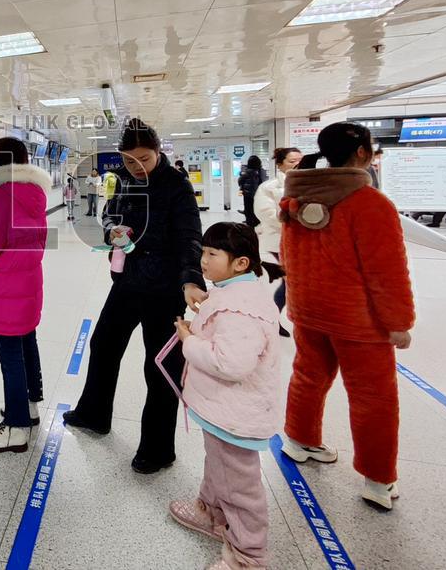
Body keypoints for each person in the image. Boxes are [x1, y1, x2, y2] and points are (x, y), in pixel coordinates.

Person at [280, 122, 415, 511]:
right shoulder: (369, 203)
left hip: (308, 309)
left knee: (308, 375)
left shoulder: (295, 199)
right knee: (374, 397)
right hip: (358, 320)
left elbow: (288, 258)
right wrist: (398, 323)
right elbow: (387, 271)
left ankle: (299, 440)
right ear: (362, 154)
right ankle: (378, 480)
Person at [64, 119, 206, 474]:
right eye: (129, 160)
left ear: (158, 152)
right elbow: (110, 212)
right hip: (127, 283)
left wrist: (191, 280)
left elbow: (191, 235)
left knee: (158, 367)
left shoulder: (176, 186)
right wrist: (112, 229)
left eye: (144, 158)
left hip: (163, 289)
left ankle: (158, 449)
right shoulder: (124, 180)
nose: (137, 166)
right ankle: (94, 414)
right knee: (103, 345)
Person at [171, 222, 280, 570]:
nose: (203, 260)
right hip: (222, 408)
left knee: (240, 487)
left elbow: (230, 363)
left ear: (241, 263)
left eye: (212, 254)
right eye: (203, 252)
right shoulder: (232, 292)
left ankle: (249, 556)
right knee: (218, 465)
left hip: (236, 412)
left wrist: (190, 342)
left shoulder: (240, 308)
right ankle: (211, 513)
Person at [0, 137, 50, 453]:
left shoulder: (2, 195)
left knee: (10, 355)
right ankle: (29, 408)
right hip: (28, 283)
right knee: (27, 343)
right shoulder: (34, 194)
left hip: (5, 286)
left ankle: (16, 428)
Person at [253, 146, 302, 338]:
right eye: (292, 161)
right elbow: (265, 213)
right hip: (277, 242)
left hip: (301, 243)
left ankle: (273, 319)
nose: (297, 164)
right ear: (280, 165)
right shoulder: (269, 187)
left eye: (300, 160)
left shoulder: (309, 185)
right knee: (287, 283)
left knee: (291, 284)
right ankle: (271, 319)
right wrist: (293, 219)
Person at [238, 156, 267, 227]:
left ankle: (250, 225)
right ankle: (257, 224)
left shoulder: (248, 171)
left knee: (249, 210)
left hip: (248, 194)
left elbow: (240, 181)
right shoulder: (262, 171)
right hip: (259, 194)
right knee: (257, 209)